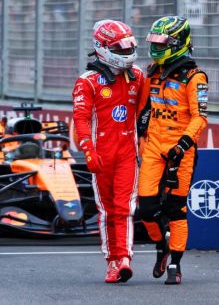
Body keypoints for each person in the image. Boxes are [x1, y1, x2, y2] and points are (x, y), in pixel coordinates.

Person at [137, 16, 208, 285]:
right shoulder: (152, 72)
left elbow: (199, 117)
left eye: (161, 42)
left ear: (177, 43)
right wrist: (140, 135)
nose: (155, 47)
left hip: (181, 149)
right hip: (154, 146)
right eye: (154, 42)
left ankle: (175, 265)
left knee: (176, 208)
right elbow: (145, 109)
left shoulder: (195, 77)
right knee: (146, 209)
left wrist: (183, 144)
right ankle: (161, 246)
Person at [72, 20, 145, 283]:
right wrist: (88, 150)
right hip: (100, 155)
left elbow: (146, 114)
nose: (127, 54)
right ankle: (111, 261)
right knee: (107, 210)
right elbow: (81, 119)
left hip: (127, 153)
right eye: (120, 49)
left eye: (129, 48)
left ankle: (124, 258)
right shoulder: (87, 81)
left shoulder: (138, 75)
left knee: (125, 207)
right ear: (102, 48)